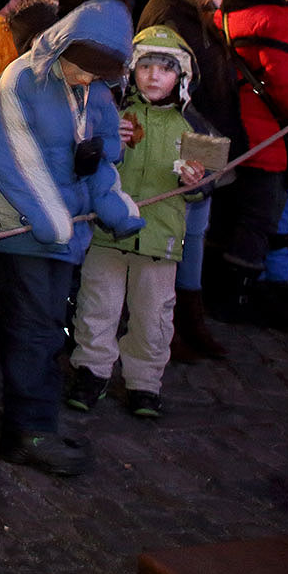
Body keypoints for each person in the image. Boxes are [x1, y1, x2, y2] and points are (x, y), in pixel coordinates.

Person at [0, 0, 143, 477]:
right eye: (81, 69)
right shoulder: (21, 80)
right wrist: (56, 223)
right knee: (31, 330)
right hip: (26, 229)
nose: (86, 80)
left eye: (97, 75)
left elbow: (102, 155)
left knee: (50, 328)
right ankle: (25, 432)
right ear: (62, 46)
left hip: (65, 231)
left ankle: (40, 423)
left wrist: (113, 205)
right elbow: (14, 160)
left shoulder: (94, 92)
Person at [67, 26, 208, 421]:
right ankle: (91, 372)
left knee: (153, 315)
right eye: (145, 66)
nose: (153, 76)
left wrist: (194, 183)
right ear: (132, 71)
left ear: (180, 76)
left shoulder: (190, 128)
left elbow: (200, 189)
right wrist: (105, 142)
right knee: (97, 306)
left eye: (164, 69)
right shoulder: (110, 112)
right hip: (107, 235)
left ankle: (144, 382)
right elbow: (85, 164)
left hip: (160, 239)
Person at [138, 0, 240, 358]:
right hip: (186, 134)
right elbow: (166, 89)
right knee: (179, 228)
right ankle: (168, 322)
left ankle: (188, 316)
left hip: (202, 130)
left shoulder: (186, 10)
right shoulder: (169, 16)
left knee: (195, 229)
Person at [212, 0, 288, 322]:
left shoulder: (227, 11)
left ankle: (218, 287)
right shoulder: (278, 18)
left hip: (231, 126)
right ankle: (238, 297)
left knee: (230, 211)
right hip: (265, 134)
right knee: (260, 217)